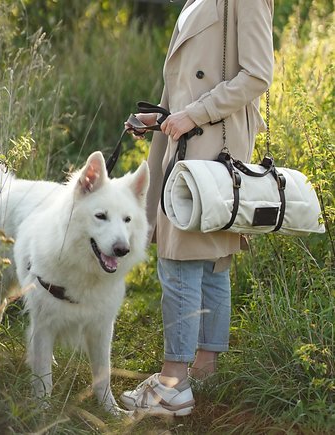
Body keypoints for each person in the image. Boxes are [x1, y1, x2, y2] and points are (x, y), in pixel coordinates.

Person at [120, 0, 274, 416]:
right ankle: (205, 372)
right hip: (190, 139)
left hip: (210, 143)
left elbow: (258, 73)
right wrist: (160, 119)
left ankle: (173, 384)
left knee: (181, 258)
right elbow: (188, 81)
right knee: (209, 259)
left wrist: (193, 115)